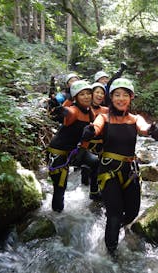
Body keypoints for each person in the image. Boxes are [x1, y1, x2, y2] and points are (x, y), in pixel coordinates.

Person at [81, 78, 158, 254]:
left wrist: (151, 131)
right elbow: (96, 127)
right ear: (111, 98)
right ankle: (111, 254)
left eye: (125, 95)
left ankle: (117, 227)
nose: (121, 98)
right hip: (109, 171)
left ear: (131, 98)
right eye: (117, 95)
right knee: (114, 214)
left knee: (132, 213)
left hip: (130, 170)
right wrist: (90, 132)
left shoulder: (135, 119)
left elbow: (144, 127)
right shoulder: (103, 117)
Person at [47, 80, 98, 212]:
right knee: (60, 187)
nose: (86, 97)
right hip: (58, 151)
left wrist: (82, 152)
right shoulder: (74, 110)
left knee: (96, 162)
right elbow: (68, 113)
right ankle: (57, 216)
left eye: (88, 94)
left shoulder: (90, 112)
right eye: (82, 94)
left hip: (73, 150)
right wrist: (60, 109)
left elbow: (87, 135)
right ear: (75, 97)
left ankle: (95, 192)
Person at [83, 82, 109, 200]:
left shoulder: (106, 110)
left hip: (102, 145)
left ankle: (95, 192)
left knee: (99, 169)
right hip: (88, 144)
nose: (99, 95)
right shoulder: (85, 109)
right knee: (87, 171)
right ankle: (86, 191)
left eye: (102, 93)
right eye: (97, 92)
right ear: (92, 94)